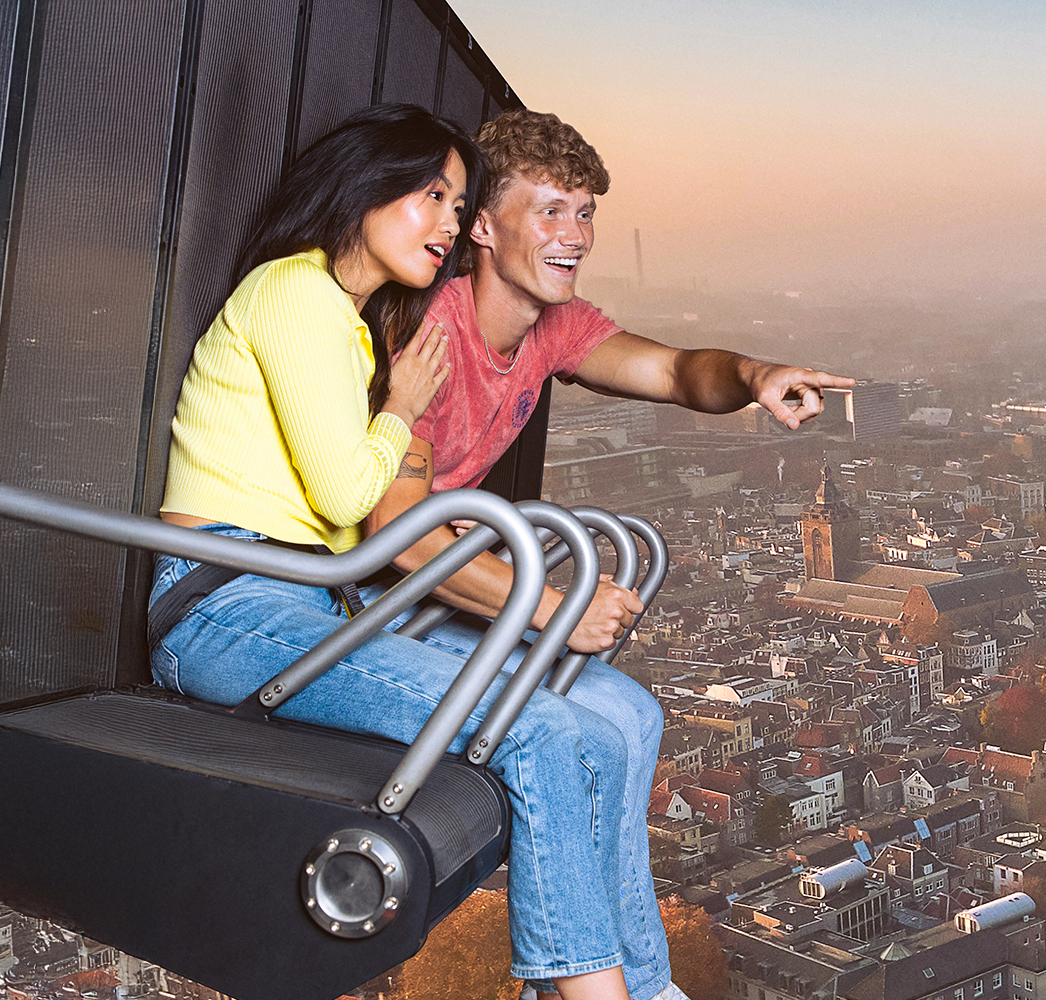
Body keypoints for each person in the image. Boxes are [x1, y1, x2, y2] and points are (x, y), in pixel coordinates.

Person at [364, 109, 855, 1000]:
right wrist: (550, 607)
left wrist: (753, 377)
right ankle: (577, 984)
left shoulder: (550, 327)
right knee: (569, 732)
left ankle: (645, 983)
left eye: (585, 212)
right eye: (550, 211)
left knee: (631, 719)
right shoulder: (429, 332)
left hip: (441, 603)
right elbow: (391, 528)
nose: (575, 235)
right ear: (481, 224)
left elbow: (672, 372)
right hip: (372, 608)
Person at [151, 104, 638, 1000]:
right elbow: (349, 498)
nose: (452, 222)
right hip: (224, 605)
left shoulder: (343, 318)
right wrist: (404, 407)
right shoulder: (295, 291)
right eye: (434, 196)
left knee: (586, 722)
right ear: (366, 193)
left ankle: (626, 985)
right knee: (533, 730)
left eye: (460, 204)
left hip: (297, 604)